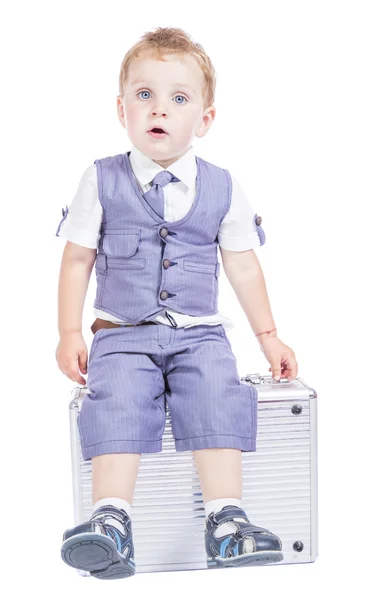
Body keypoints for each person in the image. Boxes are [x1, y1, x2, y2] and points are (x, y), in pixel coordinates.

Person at [55, 26, 298, 580]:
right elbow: (76, 260)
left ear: (205, 120)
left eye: (178, 98)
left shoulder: (224, 186)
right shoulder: (100, 180)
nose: (158, 108)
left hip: (200, 333)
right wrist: (71, 332)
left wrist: (267, 337)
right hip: (121, 332)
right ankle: (111, 521)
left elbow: (242, 264)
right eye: (144, 95)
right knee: (115, 400)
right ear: (122, 109)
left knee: (218, 392)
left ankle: (226, 522)